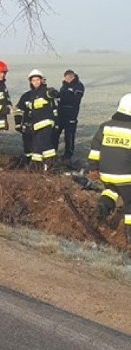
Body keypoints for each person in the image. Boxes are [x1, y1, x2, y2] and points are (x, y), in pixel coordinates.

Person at [88, 93, 131, 261]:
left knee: (111, 191)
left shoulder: (106, 126)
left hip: (106, 174)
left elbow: (95, 149)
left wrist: (93, 168)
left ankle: (101, 211)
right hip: (127, 176)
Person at [14, 69, 58, 170]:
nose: (36, 82)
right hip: (34, 126)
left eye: (38, 80)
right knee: (36, 148)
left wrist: (53, 92)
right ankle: (36, 168)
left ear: (42, 80)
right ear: (30, 82)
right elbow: (19, 110)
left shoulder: (44, 91)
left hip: (45, 124)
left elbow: (50, 94)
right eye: (33, 80)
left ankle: (51, 166)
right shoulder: (28, 95)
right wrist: (18, 124)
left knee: (45, 146)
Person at [53, 69, 85, 163]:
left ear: (73, 77)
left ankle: (68, 155)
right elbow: (61, 97)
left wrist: (61, 96)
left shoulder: (78, 86)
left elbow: (75, 99)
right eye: (66, 78)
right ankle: (53, 152)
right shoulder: (64, 86)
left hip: (71, 115)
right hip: (60, 114)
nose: (67, 80)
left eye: (69, 78)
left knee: (69, 136)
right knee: (55, 133)